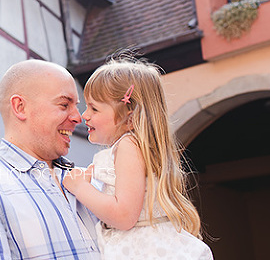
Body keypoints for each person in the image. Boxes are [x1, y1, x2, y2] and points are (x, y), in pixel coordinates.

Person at [0, 59, 101, 259]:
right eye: (64, 104)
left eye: (75, 106)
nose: (78, 118)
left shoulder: (93, 181)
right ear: (20, 107)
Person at [62, 55, 213, 260]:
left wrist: (81, 188)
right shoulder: (136, 147)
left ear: (130, 117)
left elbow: (124, 216)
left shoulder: (128, 146)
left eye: (94, 108)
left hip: (141, 249)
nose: (84, 115)